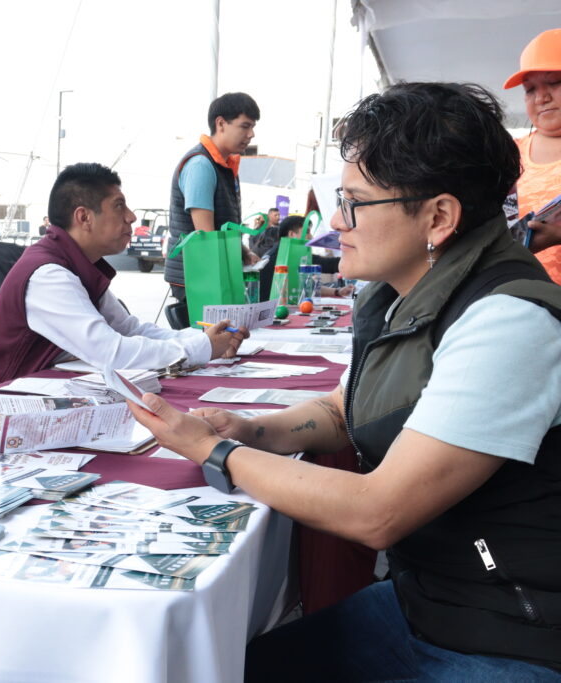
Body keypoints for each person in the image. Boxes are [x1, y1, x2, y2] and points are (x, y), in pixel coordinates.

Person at [129, 83, 561, 679]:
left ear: (438, 217)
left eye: (354, 203)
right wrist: (250, 429)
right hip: (427, 602)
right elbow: (345, 408)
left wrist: (214, 451)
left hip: (508, 632)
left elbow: (377, 512)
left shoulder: (509, 322)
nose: (336, 221)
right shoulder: (402, 294)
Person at [0, 162, 246, 394]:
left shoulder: (76, 264)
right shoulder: (48, 274)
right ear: (84, 217)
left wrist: (205, 338)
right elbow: (112, 353)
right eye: (119, 206)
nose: (131, 217)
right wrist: (201, 347)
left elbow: (129, 330)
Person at [164, 92, 260, 306]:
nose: (251, 134)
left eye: (253, 127)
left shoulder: (224, 165)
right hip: (199, 278)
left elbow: (221, 228)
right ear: (221, 123)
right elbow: (206, 237)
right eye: (245, 126)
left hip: (211, 274)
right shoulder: (201, 165)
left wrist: (244, 253)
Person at [503, 28, 561, 283]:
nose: (541, 98)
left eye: (555, 82)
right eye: (530, 89)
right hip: (516, 296)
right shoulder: (506, 154)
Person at [257, 215, 353, 299]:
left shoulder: (279, 251)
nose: (311, 237)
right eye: (307, 232)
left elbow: (307, 285)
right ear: (291, 234)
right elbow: (328, 264)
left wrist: (337, 291)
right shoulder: (282, 256)